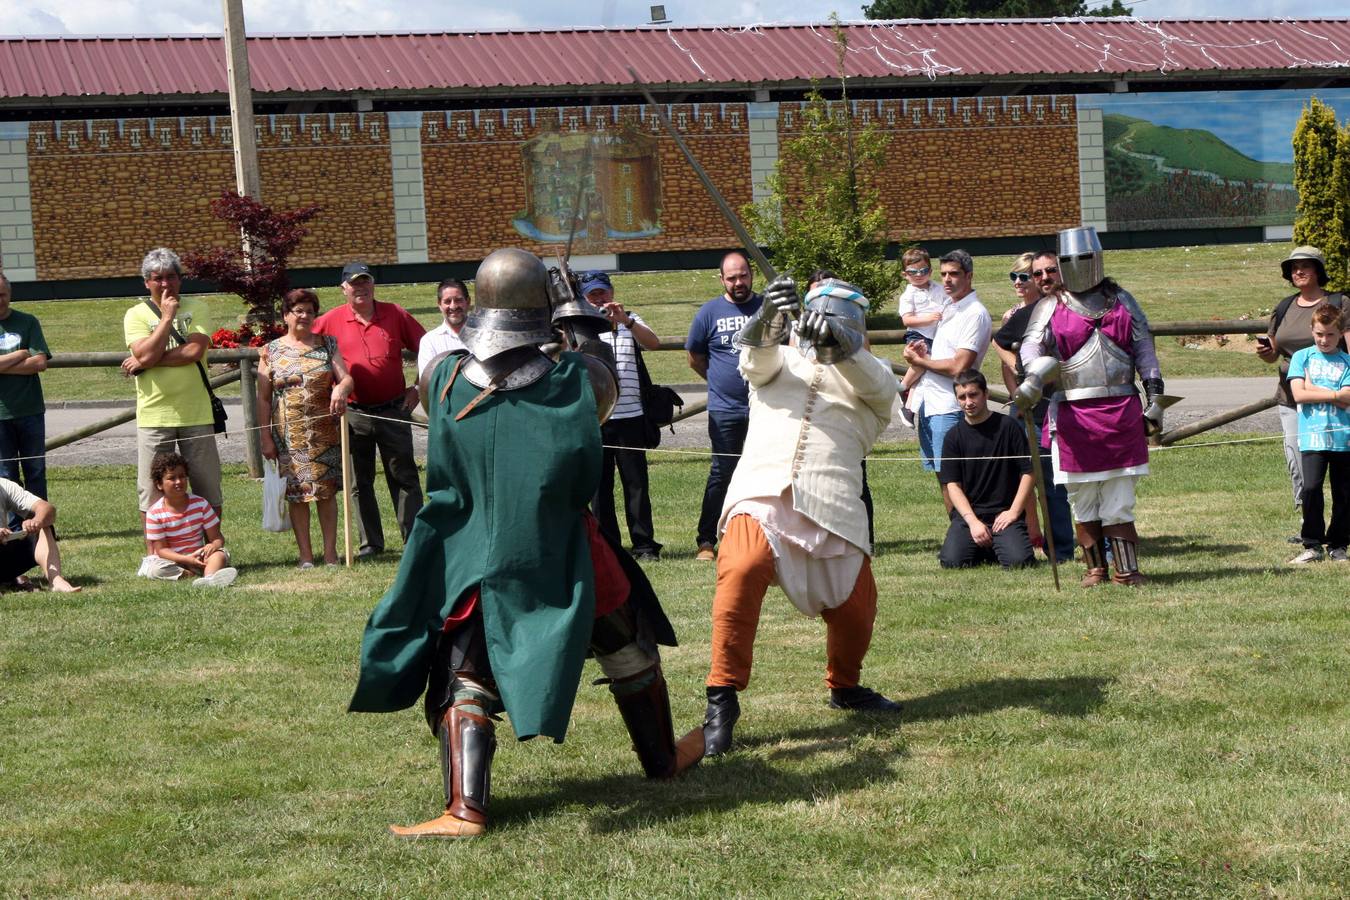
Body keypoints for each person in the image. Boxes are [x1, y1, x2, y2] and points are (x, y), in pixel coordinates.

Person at [349, 248, 702, 839]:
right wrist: (571, 311)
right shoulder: (579, 381)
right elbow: (598, 376)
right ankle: (660, 760)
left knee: (465, 673)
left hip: (472, 549)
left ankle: (467, 807)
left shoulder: (441, 377)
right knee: (628, 647)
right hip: (561, 550)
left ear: (481, 303)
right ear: (541, 308)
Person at [701, 276, 902, 759]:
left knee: (856, 610)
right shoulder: (777, 360)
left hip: (833, 506)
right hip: (763, 493)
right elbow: (753, 358)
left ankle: (845, 686)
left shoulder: (871, 381)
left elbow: (879, 385)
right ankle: (721, 699)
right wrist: (770, 315)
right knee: (743, 567)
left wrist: (845, 346)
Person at [1016, 226, 1166, 587]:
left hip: (1120, 409)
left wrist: (1155, 395)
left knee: (1119, 495)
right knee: (1082, 496)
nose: (1077, 265)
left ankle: (1126, 570)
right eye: (1069, 260)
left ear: (1097, 258)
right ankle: (1095, 568)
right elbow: (1030, 348)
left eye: (1083, 257)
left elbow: (1143, 347)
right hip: (1073, 414)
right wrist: (1035, 377)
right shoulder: (1050, 306)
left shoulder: (1123, 300)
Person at [313, 262, 426, 559]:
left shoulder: (395, 313)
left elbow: (427, 347)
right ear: (343, 289)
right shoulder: (329, 321)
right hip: (352, 413)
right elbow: (307, 352)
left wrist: (417, 388)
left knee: (403, 476)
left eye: (366, 282)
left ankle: (414, 539)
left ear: (373, 284)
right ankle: (370, 544)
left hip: (392, 409)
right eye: (354, 283)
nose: (360, 287)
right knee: (359, 482)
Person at [122, 248, 224, 574]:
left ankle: (209, 551)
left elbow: (194, 350)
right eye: (157, 278)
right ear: (146, 282)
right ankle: (158, 558)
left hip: (196, 412)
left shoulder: (198, 307)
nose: (165, 283)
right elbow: (142, 349)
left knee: (208, 485)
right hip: (155, 414)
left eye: (170, 277)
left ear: (180, 279)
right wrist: (166, 318)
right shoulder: (135, 314)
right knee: (151, 490)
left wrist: (147, 360)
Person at [257, 289, 355, 569]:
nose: (304, 316)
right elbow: (263, 398)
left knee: (325, 493)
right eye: (298, 311)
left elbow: (346, 378)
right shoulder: (270, 351)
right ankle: (306, 557)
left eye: (310, 311)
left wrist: (341, 390)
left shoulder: (328, 344)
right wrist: (265, 436)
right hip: (287, 437)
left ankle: (331, 555)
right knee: (297, 496)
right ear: (286, 315)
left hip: (325, 432)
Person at [1256, 246, 1346, 544]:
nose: (1299, 271)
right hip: (1293, 397)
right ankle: (1309, 527)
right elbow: (1273, 355)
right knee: (1300, 464)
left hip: (1338, 401)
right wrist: (1266, 353)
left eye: (1306, 265)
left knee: (1341, 473)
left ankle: (1339, 534)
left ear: (1319, 269)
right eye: (1294, 267)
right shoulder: (1284, 307)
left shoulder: (1338, 302)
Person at [991, 251, 1075, 565]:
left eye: (1049, 272)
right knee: (1052, 485)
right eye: (1036, 274)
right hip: (1042, 412)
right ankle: (1062, 550)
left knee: (1087, 481)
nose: (1042, 279)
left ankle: (1101, 545)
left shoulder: (1080, 306)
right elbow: (1000, 340)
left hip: (1080, 406)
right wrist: (1025, 375)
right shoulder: (1030, 313)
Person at [685, 251, 763, 561]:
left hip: (765, 408)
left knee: (765, 471)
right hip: (726, 410)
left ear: (751, 274)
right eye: (731, 277)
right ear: (722, 279)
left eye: (743, 275)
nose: (738, 282)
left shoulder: (767, 309)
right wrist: (718, 381)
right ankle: (706, 540)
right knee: (722, 471)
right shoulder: (708, 312)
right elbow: (695, 357)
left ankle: (761, 536)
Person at [584, 270, 664, 562]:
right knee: (600, 489)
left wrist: (625, 322)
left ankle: (644, 545)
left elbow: (653, 343)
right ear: (584, 298)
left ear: (612, 292)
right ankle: (609, 547)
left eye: (603, 293)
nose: (600, 300)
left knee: (636, 484)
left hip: (631, 416)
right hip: (596, 419)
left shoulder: (630, 318)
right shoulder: (579, 326)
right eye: (593, 295)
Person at [903, 249, 992, 508]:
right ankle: (959, 535)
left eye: (954, 274)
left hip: (952, 408)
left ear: (969, 276)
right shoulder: (950, 308)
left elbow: (959, 366)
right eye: (943, 274)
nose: (947, 280)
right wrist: (922, 353)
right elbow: (942, 354)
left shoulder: (974, 313)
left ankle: (967, 536)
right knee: (943, 477)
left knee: (957, 479)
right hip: (930, 404)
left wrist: (920, 363)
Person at [938, 369, 1036, 569]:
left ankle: (996, 544)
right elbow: (952, 486)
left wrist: (1014, 512)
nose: (968, 402)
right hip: (970, 516)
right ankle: (985, 544)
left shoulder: (1009, 427)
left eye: (973, 394)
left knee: (1020, 562)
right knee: (952, 562)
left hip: (1005, 515)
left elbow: (1029, 473)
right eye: (962, 397)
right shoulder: (953, 437)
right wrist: (972, 522)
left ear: (986, 394)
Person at [1285, 302, 1350, 564]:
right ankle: (1312, 543)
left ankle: (1338, 544)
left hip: (1344, 438)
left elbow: (1348, 399)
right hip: (1312, 436)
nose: (1324, 340)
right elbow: (1299, 393)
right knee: (1311, 488)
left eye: (1331, 334)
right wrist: (1336, 394)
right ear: (1312, 331)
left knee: (1344, 492)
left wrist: (1317, 390)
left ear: (1340, 333)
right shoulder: (1302, 358)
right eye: (1320, 334)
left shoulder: (1347, 361)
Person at [0, 272, 52, 525]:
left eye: (2, 294)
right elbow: (30, 358)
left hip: (30, 410)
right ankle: (14, 529)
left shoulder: (28, 322)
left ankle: (41, 525)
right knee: (6, 475)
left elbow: (40, 362)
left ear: (10, 294)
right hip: (0, 415)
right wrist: (20, 354)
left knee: (36, 472)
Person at [143, 451, 237, 587]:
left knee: (220, 555)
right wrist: (186, 559)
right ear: (159, 484)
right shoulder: (154, 513)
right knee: (155, 570)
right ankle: (190, 574)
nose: (178, 482)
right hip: (173, 560)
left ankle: (209, 578)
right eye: (172, 478)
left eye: (182, 476)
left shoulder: (200, 504)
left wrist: (213, 545)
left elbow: (217, 538)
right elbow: (161, 550)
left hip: (200, 557)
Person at [894, 247, 948, 427]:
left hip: (937, 336)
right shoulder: (908, 295)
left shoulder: (939, 289)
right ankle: (903, 386)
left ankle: (909, 408)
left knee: (926, 370)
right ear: (905, 274)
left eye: (923, 270)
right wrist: (928, 318)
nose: (919, 275)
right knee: (924, 362)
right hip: (918, 334)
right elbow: (907, 319)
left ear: (930, 271)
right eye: (913, 272)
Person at [0, 476, 78, 592]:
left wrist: (37, 521)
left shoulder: (4, 485)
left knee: (44, 525)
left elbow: (47, 508)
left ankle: (56, 580)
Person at [416, 278, 470, 379]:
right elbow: (428, 383)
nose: (453, 306)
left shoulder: (486, 334)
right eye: (447, 301)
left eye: (458, 300)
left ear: (468, 302)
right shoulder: (429, 341)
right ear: (439, 305)